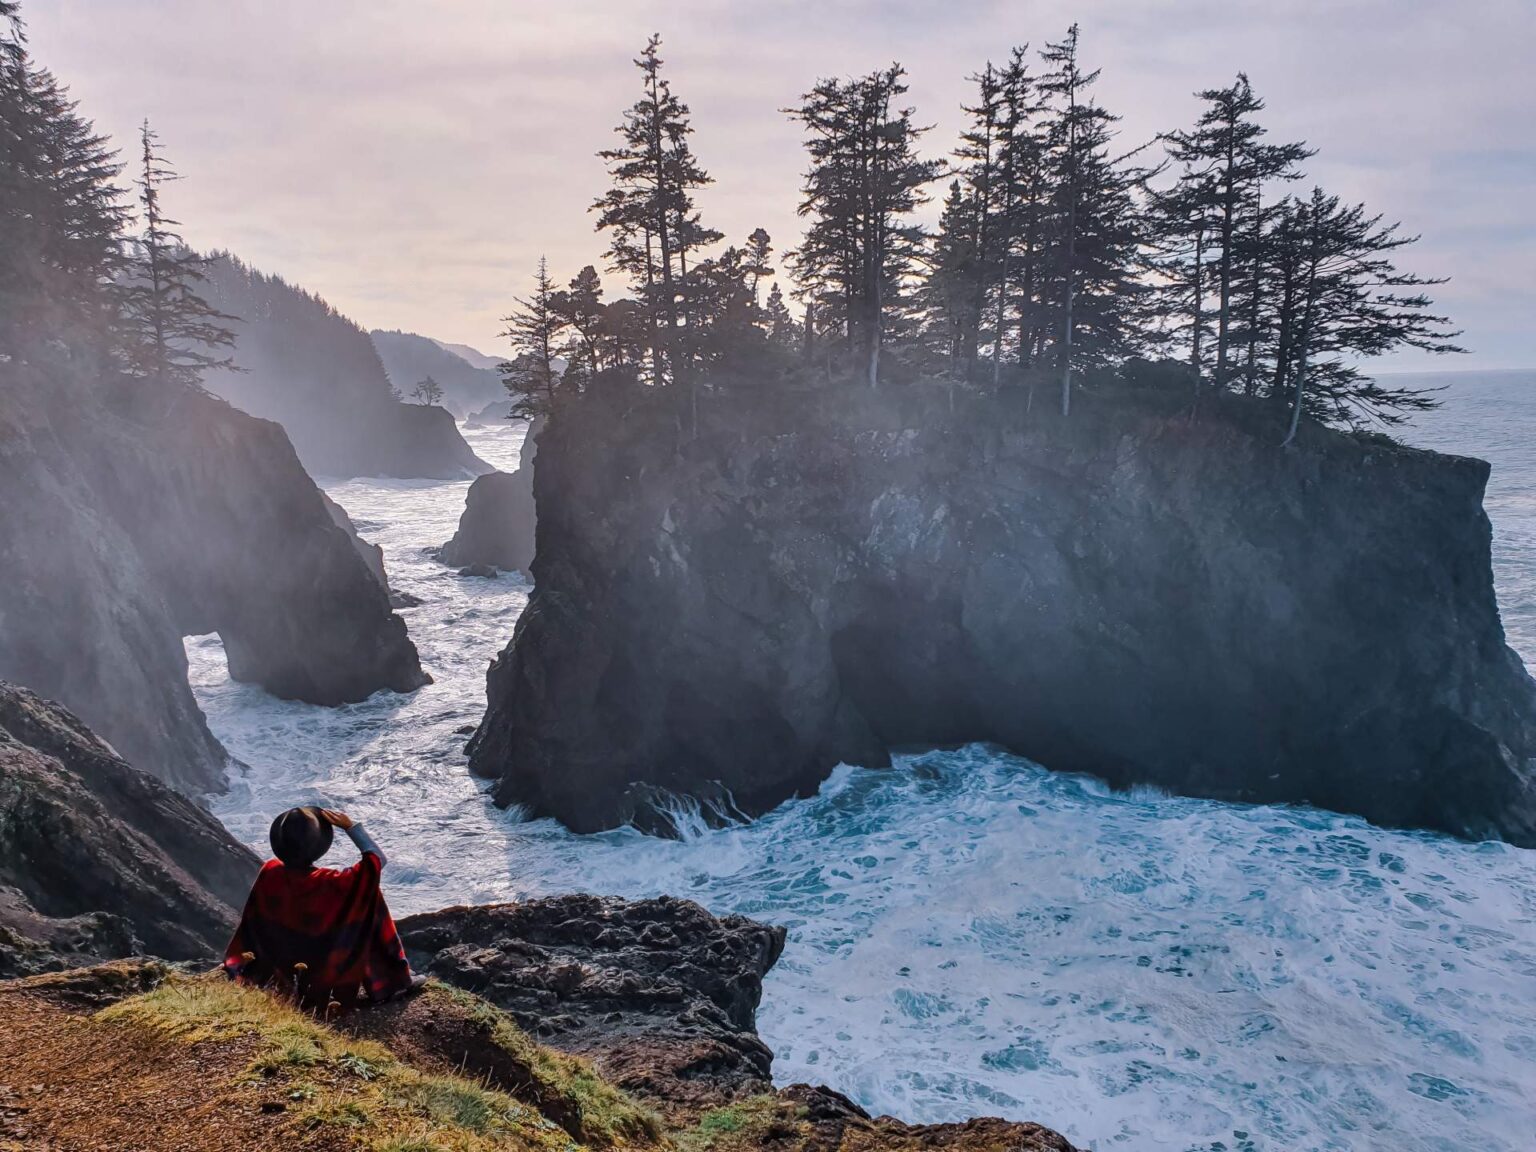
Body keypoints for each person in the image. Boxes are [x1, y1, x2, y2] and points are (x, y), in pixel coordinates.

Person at [224, 806, 424, 1009]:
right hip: (323, 973)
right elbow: (376, 860)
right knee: (368, 896)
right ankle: (393, 982)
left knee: (361, 891)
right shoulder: (333, 884)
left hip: (279, 971)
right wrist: (351, 827)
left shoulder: (271, 871)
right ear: (320, 846)